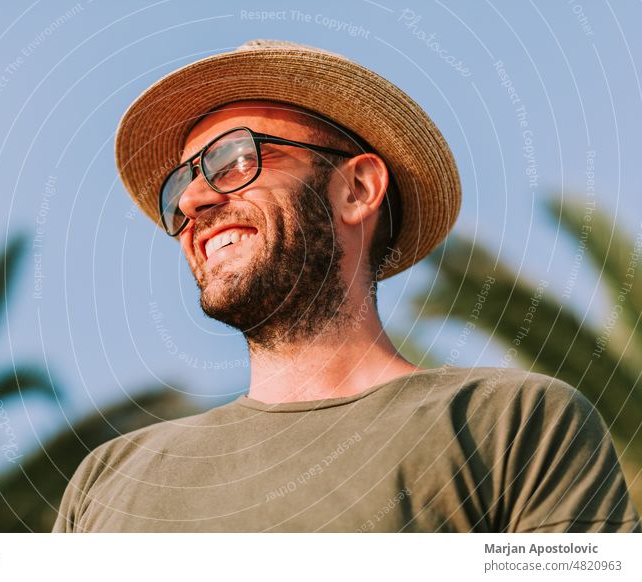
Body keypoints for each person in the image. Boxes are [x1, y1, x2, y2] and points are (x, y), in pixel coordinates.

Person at [53, 40, 640, 532]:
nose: (192, 199)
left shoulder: (511, 424)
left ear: (356, 189)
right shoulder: (106, 481)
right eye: (179, 184)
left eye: (234, 159)